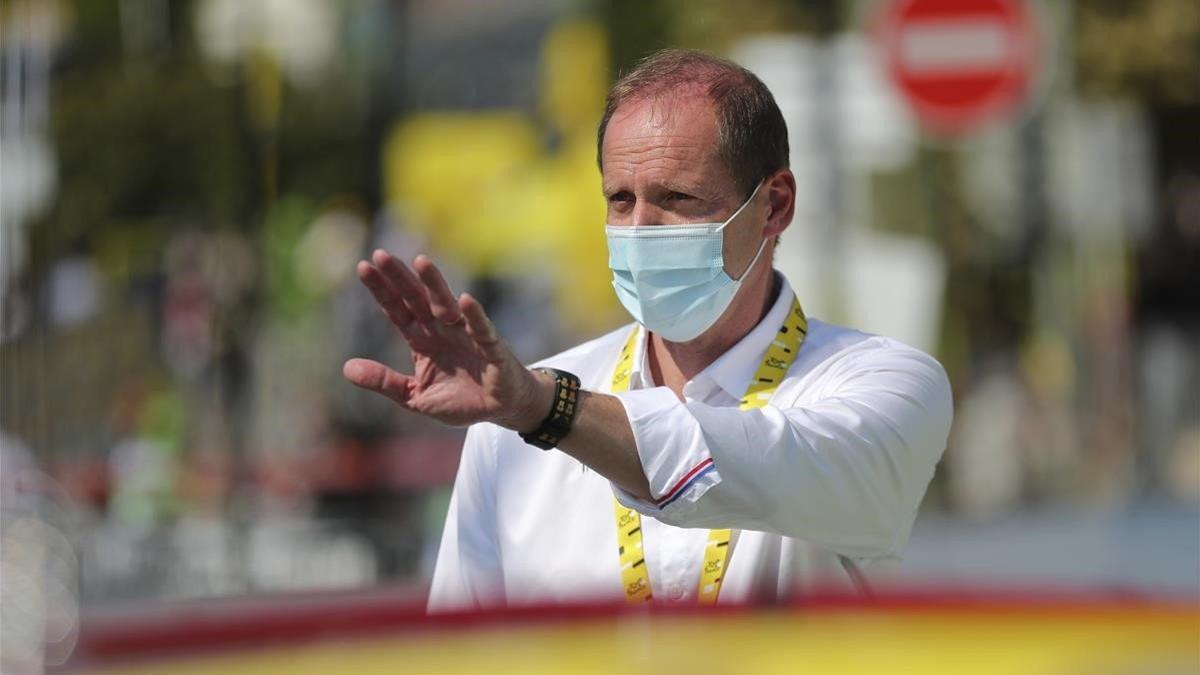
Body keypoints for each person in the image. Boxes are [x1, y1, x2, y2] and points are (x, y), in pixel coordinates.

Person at [343, 49, 953, 610]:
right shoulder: (507, 426)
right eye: (619, 199)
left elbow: (767, 462)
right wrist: (533, 408)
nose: (641, 227)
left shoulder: (884, 383)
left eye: (678, 197)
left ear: (775, 206)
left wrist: (546, 409)